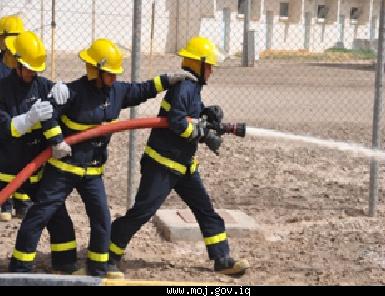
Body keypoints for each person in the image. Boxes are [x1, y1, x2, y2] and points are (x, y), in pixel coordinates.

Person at [9, 38, 196, 278]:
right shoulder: (73, 92)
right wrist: (56, 141)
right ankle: (20, 268)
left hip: (92, 172)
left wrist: (167, 80)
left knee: (101, 218)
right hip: (63, 168)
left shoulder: (116, 91)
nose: (114, 78)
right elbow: (47, 114)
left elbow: (141, 90)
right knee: (41, 214)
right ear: (95, 71)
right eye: (109, 74)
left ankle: (97, 268)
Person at [108, 36, 249, 276]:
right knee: (142, 212)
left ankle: (222, 259)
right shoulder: (185, 87)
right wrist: (200, 132)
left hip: (183, 165)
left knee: (205, 209)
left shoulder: (192, 87)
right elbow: (177, 122)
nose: (212, 71)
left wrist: (206, 114)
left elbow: (189, 117)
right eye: (210, 66)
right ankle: (107, 254)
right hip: (162, 164)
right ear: (199, 64)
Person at [0, 30, 77, 273]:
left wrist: (65, 90)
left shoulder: (41, 85)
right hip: (7, 170)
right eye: (30, 68)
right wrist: (29, 119)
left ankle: (64, 263)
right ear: (18, 64)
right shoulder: (2, 90)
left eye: (37, 69)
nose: (34, 73)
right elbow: (4, 127)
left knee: (57, 215)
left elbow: (65, 97)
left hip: (35, 167)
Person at [0, 15, 25, 222]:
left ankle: (22, 202)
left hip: (20, 115)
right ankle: (5, 203)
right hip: (4, 118)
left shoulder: (23, 59)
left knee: (23, 156)